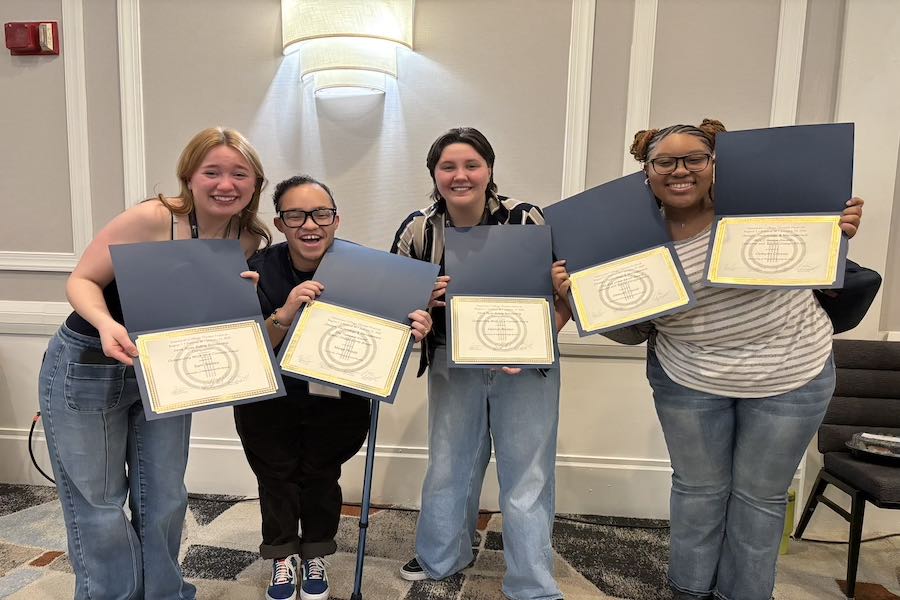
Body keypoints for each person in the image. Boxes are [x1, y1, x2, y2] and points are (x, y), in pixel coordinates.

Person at [552, 119, 865, 600]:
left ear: (715, 163)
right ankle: (690, 593)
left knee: (758, 501)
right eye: (665, 162)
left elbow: (816, 266)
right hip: (689, 378)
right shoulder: (627, 234)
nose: (680, 171)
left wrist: (832, 232)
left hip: (792, 372)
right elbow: (633, 332)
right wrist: (580, 300)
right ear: (647, 170)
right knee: (698, 495)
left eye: (694, 159)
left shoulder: (763, 204)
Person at [37, 126, 271, 599]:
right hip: (90, 363)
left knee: (164, 497)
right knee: (98, 505)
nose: (225, 184)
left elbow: (199, 308)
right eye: (213, 172)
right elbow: (82, 280)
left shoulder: (245, 238)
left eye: (238, 174)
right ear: (189, 176)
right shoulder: (151, 219)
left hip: (166, 373)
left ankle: (165, 593)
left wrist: (238, 302)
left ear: (254, 184)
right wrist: (105, 323)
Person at [391, 127, 570, 600]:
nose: (460, 175)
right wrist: (422, 301)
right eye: (448, 166)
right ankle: (441, 555)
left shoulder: (526, 217)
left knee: (527, 471)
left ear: (489, 169)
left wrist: (539, 338)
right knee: (451, 461)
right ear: (434, 174)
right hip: (453, 357)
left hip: (526, 362)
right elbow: (396, 303)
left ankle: (532, 582)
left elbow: (566, 292)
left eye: (471, 164)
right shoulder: (417, 228)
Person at [234, 175, 432, 600]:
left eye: (321, 213)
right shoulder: (257, 269)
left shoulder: (369, 269)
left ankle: (316, 552)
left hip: (338, 399)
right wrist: (286, 311)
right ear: (280, 222)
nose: (310, 224)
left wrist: (414, 329)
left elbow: (388, 334)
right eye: (296, 215)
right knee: (276, 476)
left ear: (336, 219)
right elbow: (247, 348)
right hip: (270, 398)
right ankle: (283, 556)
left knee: (322, 475)